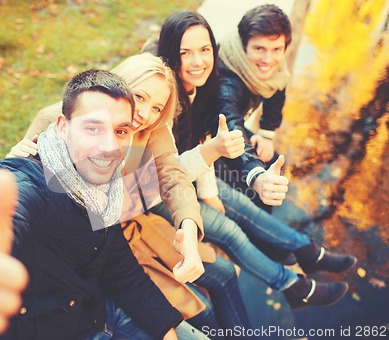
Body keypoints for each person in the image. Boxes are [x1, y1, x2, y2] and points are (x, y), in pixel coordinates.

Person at [0, 70, 201, 339]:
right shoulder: (29, 179)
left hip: (95, 312)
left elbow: (119, 267)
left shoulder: (107, 187)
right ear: (62, 126)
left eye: (120, 131)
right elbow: (2, 216)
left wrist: (165, 329)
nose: (109, 146)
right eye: (93, 128)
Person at [7, 53, 254, 337]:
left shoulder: (153, 128)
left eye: (156, 107)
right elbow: (19, 178)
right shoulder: (58, 120)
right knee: (202, 311)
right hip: (91, 246)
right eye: (139, 96)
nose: (144, 113)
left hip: (128, 227)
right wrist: (15, 159)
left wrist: (187, 226)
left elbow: (172, 177)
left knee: (222, 272)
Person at [149, 10, 356, 309]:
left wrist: (266, 134)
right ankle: (295, 284)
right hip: (161, 189)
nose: (198, 61)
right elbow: (215, 137)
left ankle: (306, 252)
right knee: (234, 228)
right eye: (186, 52)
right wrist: (248, 176)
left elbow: (202, 138)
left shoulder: (203, 84)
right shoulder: (181, 95)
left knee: (246, 207)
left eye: (205, 50)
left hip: (189, 172)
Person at [213, 4, 293, 215]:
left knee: (273, 158)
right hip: (207, 139)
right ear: (243, 45)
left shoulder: (274, 69)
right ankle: (259, 231)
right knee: (254, 187)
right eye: (259, 49)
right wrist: (255, 174)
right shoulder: (227, 80)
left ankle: (266, 218)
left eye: (276, 49)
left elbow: (276, 89)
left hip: (228, 132)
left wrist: (266, 134)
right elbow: (230, 124)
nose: (268, 60)